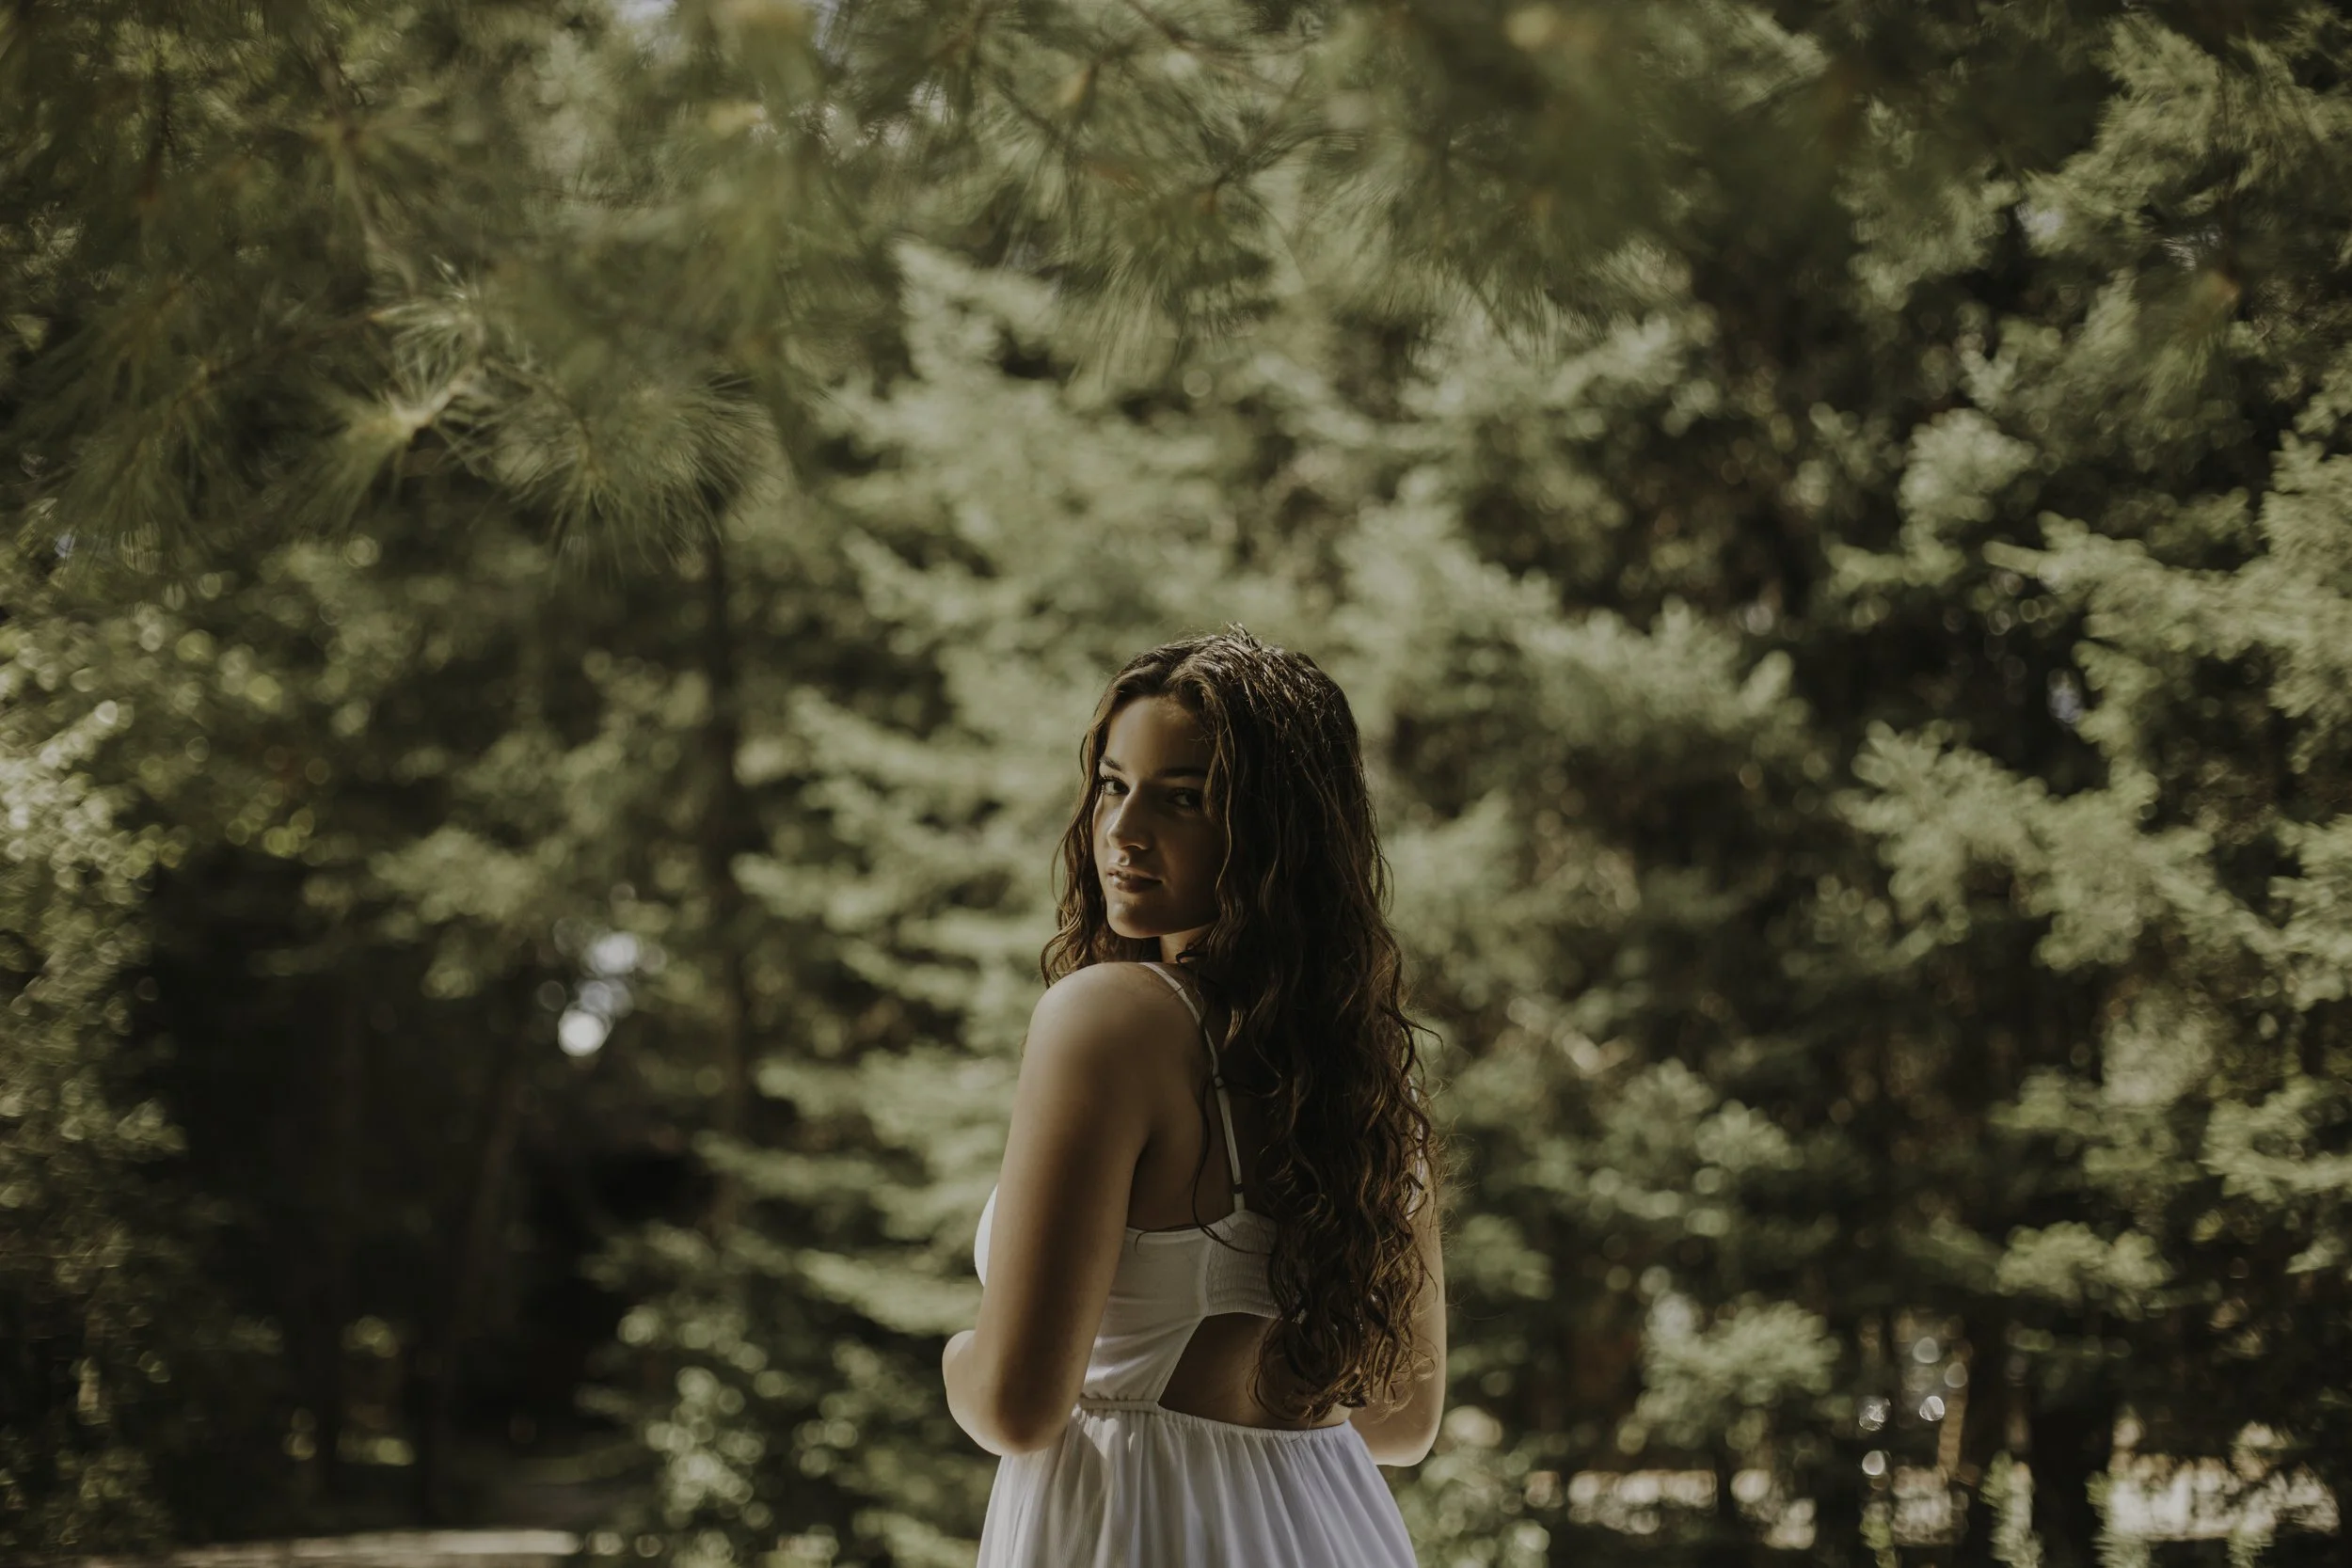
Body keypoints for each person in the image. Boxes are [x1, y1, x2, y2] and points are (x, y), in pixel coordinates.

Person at [943, 628, 1448, 1566]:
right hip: (1335, 1524)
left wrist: (955, 1360)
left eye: (1182, 799)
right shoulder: (1366, 1061)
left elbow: (1016, 1404)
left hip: (1141, 1526)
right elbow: (1399, 1421)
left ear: (1272, 834)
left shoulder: (1105, 1019)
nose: (1123, 831)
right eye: (1111, 783)